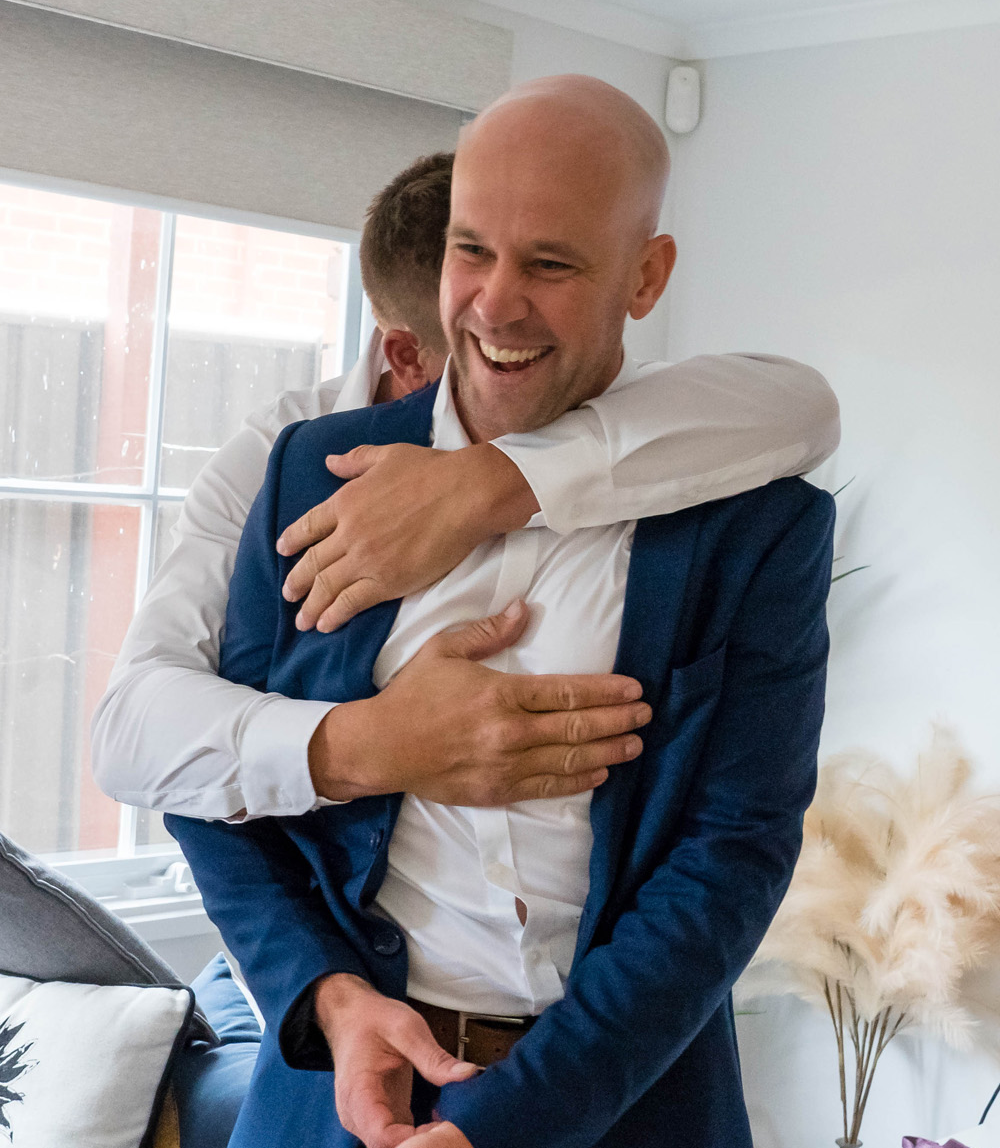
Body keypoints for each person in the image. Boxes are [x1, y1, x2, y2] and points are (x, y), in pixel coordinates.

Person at [161, 75, 835, 1148]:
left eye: (552, 263)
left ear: (646, 275)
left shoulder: (757, 523)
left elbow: (731, 859)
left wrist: (497, 1132)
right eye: (471, 250)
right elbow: (215, 782)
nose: (495, 303)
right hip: (342, 1133)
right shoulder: (310, 471)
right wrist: (327, 999)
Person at [92, 150, 838, 827]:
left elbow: (802, 408)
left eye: (551, 268)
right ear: (406, 353)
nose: (509, 321)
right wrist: (369, 745)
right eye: (483, 344)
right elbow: (135, 734)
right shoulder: (278, 459)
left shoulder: (651, 420)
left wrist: (490, 482)